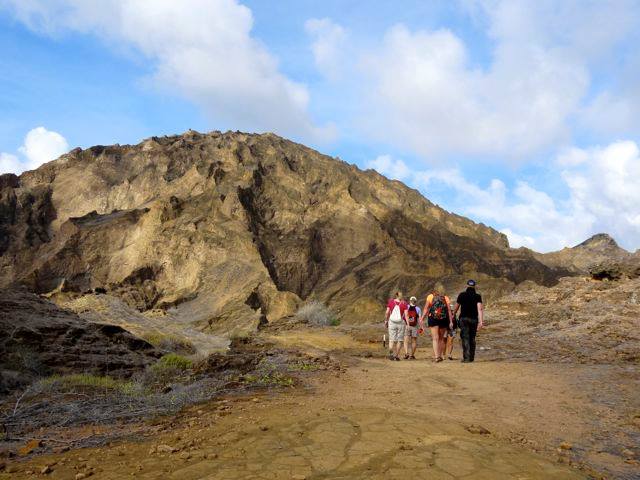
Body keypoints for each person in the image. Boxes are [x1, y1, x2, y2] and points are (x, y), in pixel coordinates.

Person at [420, 284, 453, 362]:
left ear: (435, 289)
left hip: (433, 319)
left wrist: (422, 318)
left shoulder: (430, 296)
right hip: (443, 319)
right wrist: (451, 321)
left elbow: (426, 308)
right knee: (441, 339)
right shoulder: (446, 298)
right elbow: (448, 310)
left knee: (435, 338)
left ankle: (436, 357)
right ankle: (440, 355)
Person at [454, 279, 484, 363]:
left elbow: (456, 308)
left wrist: (453, 315)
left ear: (467, 286)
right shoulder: (477, 296)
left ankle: (466, 358)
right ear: (474, 286)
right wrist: (481, 322)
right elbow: (480, 309)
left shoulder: (462, 295)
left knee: (465, 338)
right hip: (474, 319)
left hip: (463, 319)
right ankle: (471, 357)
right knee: (472, 338)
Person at [385, 291, 407, 361]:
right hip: (401, 323)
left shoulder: (391, 302)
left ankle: (391, 353)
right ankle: (396, 356)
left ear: (396, 295)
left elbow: (387, 312)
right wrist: (408, 324)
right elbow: (406, 315)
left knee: (391, 340)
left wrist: (386, 320)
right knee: (399, 340)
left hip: (392, 322)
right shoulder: (404, 303)